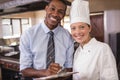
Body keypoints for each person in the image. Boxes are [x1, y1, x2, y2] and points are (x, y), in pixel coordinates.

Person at [19, 0, 74, 79]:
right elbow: (24, 70)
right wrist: (45, 73)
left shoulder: (67, 36)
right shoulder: (28, 35)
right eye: (52, 9)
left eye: (60, 11)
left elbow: (69, 67)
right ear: (46, 8)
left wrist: (61, 74)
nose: (55, 14)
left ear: (64, 15)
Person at [70, 0, 119, 80]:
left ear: (89, 28)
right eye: (73, 28)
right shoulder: (77, 51)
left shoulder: (102, 48)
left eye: (82, 27)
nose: (77, 32)